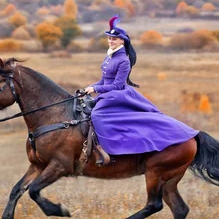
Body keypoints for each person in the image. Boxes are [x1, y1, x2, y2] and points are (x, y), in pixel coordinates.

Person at [83, 16, 199, 157]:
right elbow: (103, 80)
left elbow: (118, 85)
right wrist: (88, 88)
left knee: (97, 115)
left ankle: (105, 148)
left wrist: (95, 89)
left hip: (116, 94)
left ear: (122, 41)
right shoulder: (109, 56)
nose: (110, 41)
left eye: (114, 39)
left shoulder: (123, 61)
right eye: (109, 38)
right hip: (106, 92)